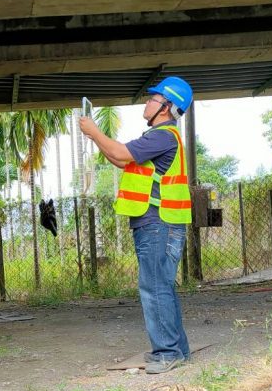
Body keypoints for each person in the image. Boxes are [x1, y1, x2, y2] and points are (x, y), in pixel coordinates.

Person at [79, 77, 193, 374]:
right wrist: (96, 138)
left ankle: (167, 353)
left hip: (158, 223)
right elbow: (121, 161)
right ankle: (177, 349)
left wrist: (94, 131)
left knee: (154, 287)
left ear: (166, 107)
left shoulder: (163, 136)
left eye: (152, 99)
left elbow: (119, 153)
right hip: (158, 222)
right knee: (161, 286)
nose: (147, 102)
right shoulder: (159, 138)